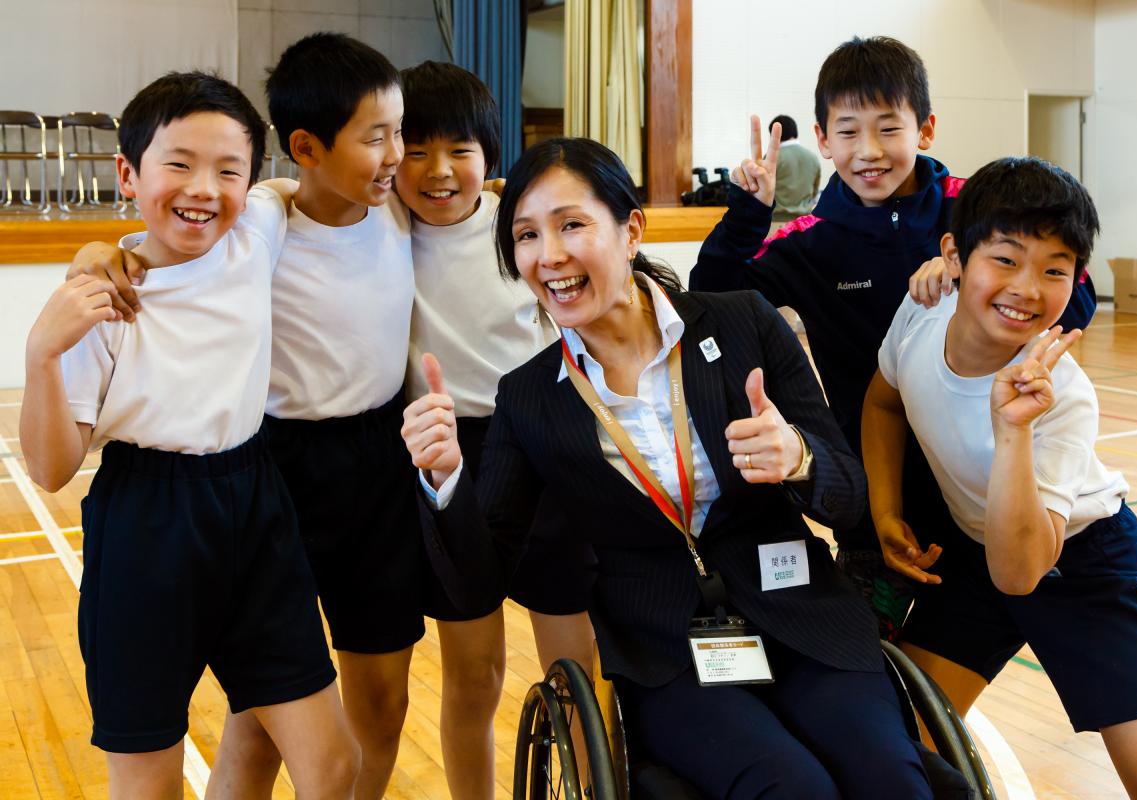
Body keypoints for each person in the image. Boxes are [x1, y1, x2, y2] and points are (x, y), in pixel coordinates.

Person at [401, 137, 932, 799]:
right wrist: (444, 478)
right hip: (668, 652)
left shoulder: (744, 325)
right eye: (527, 236)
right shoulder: (532, 397)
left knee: (891, 780)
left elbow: (848, 498)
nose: (551, 256)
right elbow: (477, 584)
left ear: (630, 231)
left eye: (571, 225)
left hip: (802, 616)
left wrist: (796, 455)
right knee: (790, 788)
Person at [67, 34, 415, 799]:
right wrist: (97, 249)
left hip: (373, 464)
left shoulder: (398, 212)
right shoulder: (259, 215)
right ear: (304, 148)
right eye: (376, 134)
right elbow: (177, 221)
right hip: (268, 467)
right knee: (257, 722)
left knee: (362, 715)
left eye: (402, 130)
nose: (398, 153)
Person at [689, 36, 1097, 639]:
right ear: (824, 142)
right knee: (878, 653)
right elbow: (711, 299)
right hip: (873, 483)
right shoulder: (809, 239)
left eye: (889, 128)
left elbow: (1073, 297)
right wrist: (748, 213)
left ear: (925, 129)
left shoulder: (975, 211)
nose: (870, 151)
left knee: (980, 623)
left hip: (985, 475)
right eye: (848, 133)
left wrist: (968, 275)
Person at [861, 156, 1137, 798]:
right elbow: (884, 402)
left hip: (1082, 563)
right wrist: (885, 511)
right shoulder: (922, 313)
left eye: (1055, 270)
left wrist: (1013, 428)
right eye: (1007, 259)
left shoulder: (1063, 396)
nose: (1027, 287)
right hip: (974, 557)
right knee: (898, 745)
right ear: (953, 256)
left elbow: (1023, 570)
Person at [394, 60, 596, 800]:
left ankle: (596, 786)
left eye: (460, 150)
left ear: (490, 153)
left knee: (575, 670)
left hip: (545, 447)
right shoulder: (382, 226)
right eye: (416, 150)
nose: (440, 171)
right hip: (452, 463)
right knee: (473, 676)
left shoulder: (518, 225)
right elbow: (288, 196)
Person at [767, 114, 821, 221]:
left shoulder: (772, 158)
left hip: (776, 222)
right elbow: (815, 193)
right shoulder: (813, 158)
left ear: (774, 134)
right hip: (805, 223)